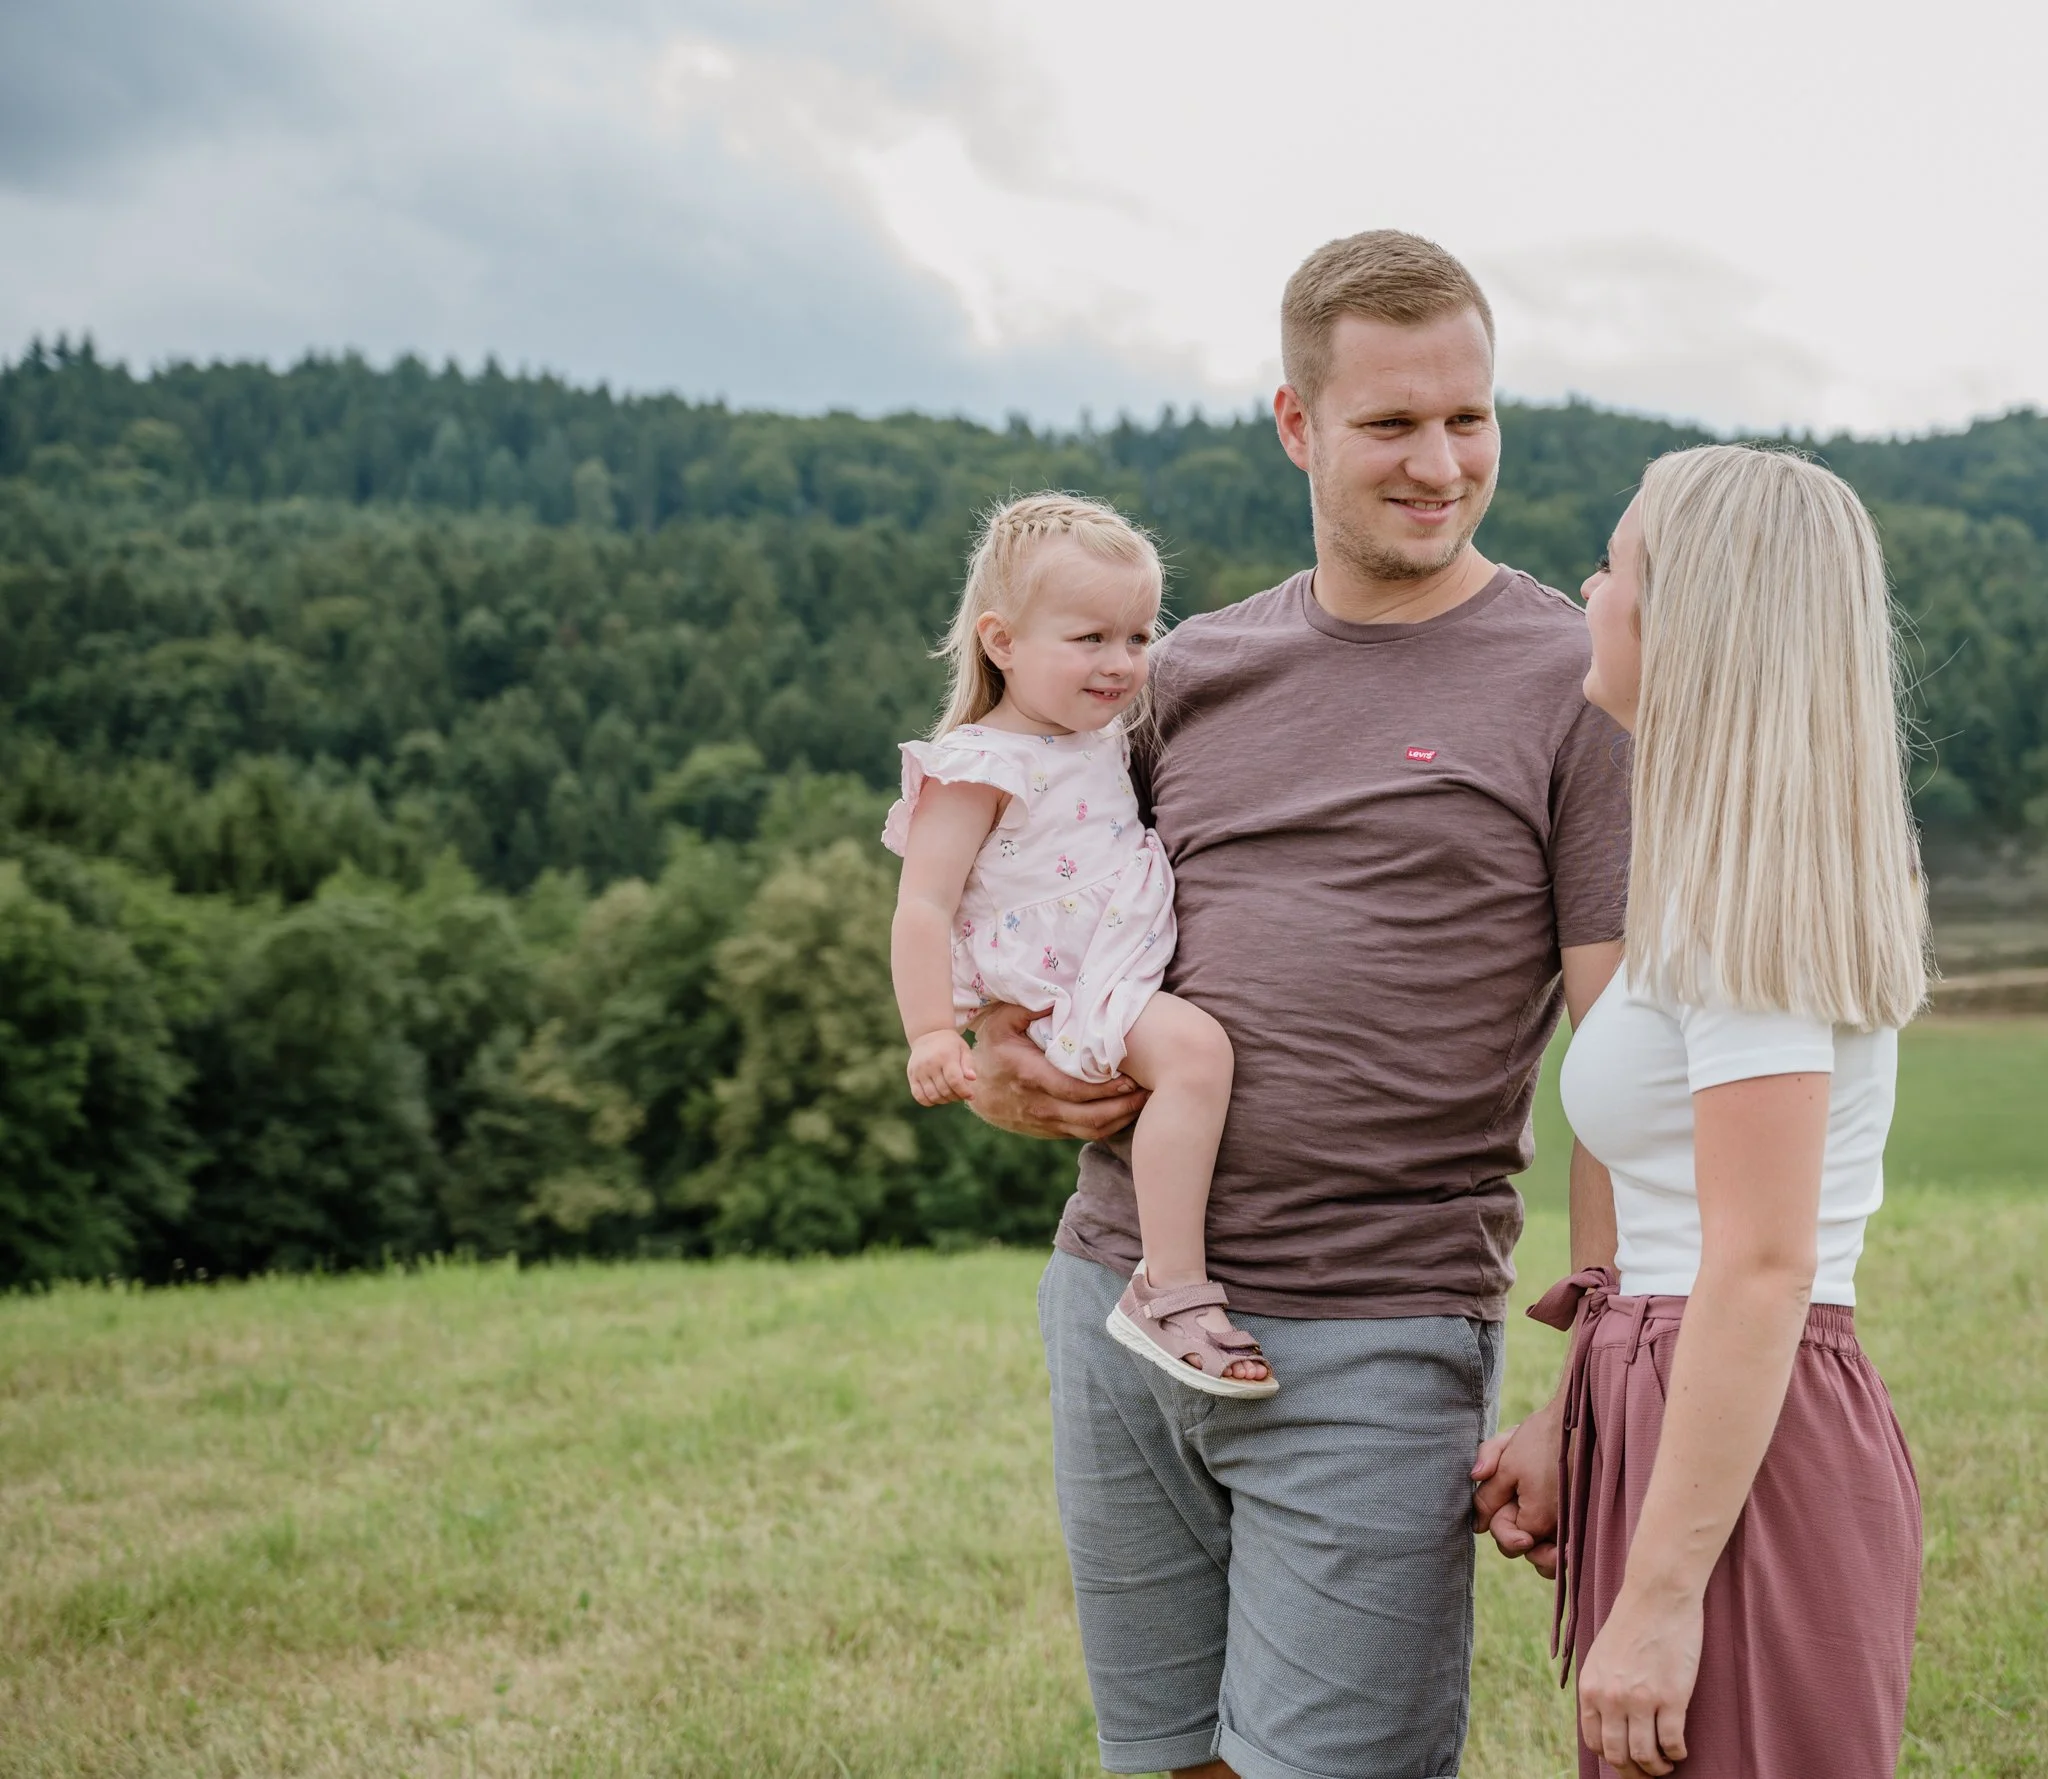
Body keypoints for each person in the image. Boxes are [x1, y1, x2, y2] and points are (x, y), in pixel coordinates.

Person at [971, 230, 1632, 1779]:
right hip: (1119, 1292)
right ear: (1297, 424)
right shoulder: (1184, 670)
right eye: (1391, 422)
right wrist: (999, 1053)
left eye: (1468, 416)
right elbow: (1031, 886)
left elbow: (1627, 1049)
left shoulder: (1572, 679)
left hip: (1381, 1328)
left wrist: (1590, 1375)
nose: (1439, 460)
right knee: (1167, 1759)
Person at [1472, 445, 1926, 1777]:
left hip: (1745, 1443)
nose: (1587, 587)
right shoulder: (1709, 880)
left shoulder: (1748, 906)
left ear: (1690, 618)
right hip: (1683, 1404)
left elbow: (1762, 1261)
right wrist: (1581, 1405)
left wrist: (1665, 1597)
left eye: (1614, 564)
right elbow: (1682, 1221)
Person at [884, 492, 1274, 1395]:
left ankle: (1170, 1278)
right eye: (1089, 638)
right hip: (1064, 984)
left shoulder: (1099, 737)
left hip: (1112, 956)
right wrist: (933, 1032)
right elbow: (923, 906)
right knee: (1196, 1053)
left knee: (1190, 1057)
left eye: (1139, 637)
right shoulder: (980, 763)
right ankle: (1170, 1287)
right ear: (1002, 641)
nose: (1121, 663)